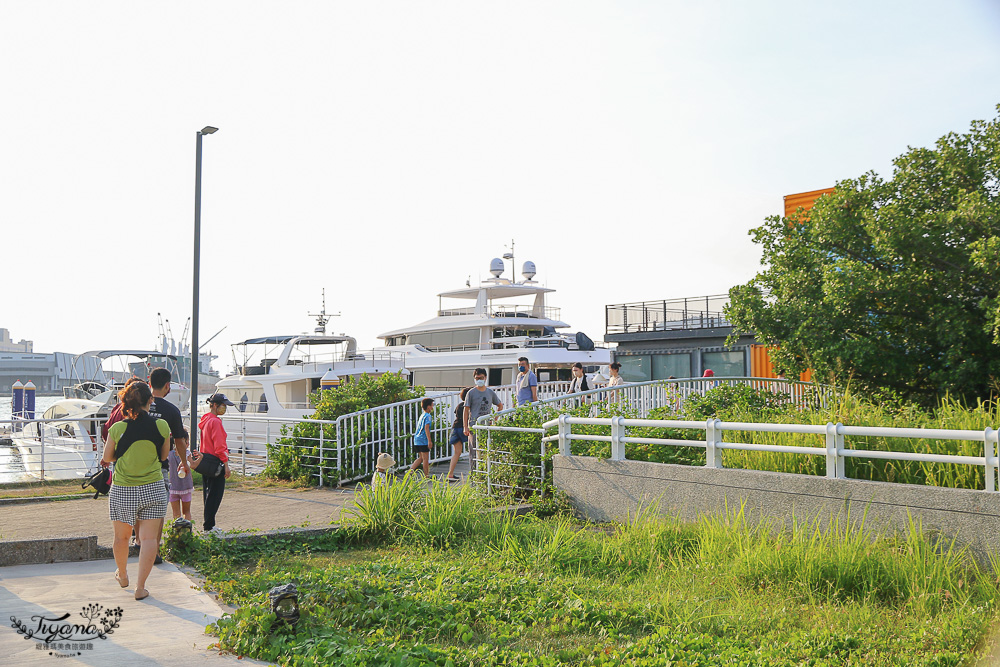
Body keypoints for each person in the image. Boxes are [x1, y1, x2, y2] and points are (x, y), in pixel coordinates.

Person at [100, 381, 169, 601]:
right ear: (151, 400)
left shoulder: (117, 428)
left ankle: (122, 575)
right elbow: (164, 456)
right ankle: (141, 587)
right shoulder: (162, 426)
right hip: (153, 488)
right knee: (149, 540)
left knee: (121, 538)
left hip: (123, 489)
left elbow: (107, 457)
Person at [148, 368, 190, 538]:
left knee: (137, 509)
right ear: (167, 386)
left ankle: (138, 543)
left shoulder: (139, 407)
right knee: (157, 512)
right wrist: (185, 463)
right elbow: (179, 440)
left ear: (149, 384)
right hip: (159, 467)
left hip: (133, 466)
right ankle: (155, 550)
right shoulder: (172, 411)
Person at [191, 393, 234, 534]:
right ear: (215, 405)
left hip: (206, 461)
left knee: (208, 494)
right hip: (216, 462)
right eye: (223, 405)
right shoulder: (215, 422)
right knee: (215, 495)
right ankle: (209, 527)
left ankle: (209, 525)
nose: (224, 408)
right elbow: (220, 446)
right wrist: (226, 465)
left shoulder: (206, 419)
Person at [463, 368, 503, 474]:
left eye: (481, 378)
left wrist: (494, 420)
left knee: (486, 450)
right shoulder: (471, 393)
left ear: (485, 378)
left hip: (486, 426)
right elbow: (466, 410)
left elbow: (500, 406)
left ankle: (485, 473)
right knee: (473, 452)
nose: (479, 380)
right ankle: (474, 474)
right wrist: (465, 427)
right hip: (474, 426)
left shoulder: (490, 392)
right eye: (477, 378)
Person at [445, 387, 470, 482]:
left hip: (455, 428)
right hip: (464, 427)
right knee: (473, 450)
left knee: (457, 453)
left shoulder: (459, 405)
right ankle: (475, 473)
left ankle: (450, 474)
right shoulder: (469, 405)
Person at [408, 398, 435, 476]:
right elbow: (426, 428)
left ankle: (410, 471)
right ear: (428, 406)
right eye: (432, 405)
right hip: (423, 439)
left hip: (417, 439)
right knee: (425, 459)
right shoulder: (428, 416)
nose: (432, 407)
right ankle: (426, 475)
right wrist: (429, 441)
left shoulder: (422, 415)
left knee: (421, 458)